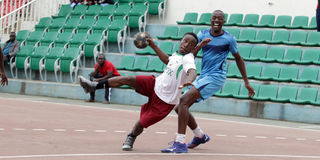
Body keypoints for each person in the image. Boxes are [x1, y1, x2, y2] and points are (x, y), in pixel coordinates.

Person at [79, 32, 211, 151]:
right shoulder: (177, 54)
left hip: (165, 101)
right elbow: (167, 60)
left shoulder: (188, 58)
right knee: (128, 79)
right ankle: (93, 86)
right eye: (185, 41)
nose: (186, 44)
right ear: (181, 41)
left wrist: (189, 80)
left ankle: (131, 137)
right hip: (154, 84)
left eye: (190, 44)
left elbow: (192, 71)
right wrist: (153, 45)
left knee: (142, 122)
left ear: (192, 48)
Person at [161, 10, 255, 153]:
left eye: (220, 19)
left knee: (184, 101)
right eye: (214, 18)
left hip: (216, 77)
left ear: (224, 21)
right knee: (179, 106)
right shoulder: (202, 35)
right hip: (204, 75)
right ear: (210, 20)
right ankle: (200, 136)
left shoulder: (229, 39)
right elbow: (191, 54)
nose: (216, 21)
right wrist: (197, 49)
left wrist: (246, 82)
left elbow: (238, 58)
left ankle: (180, 143)